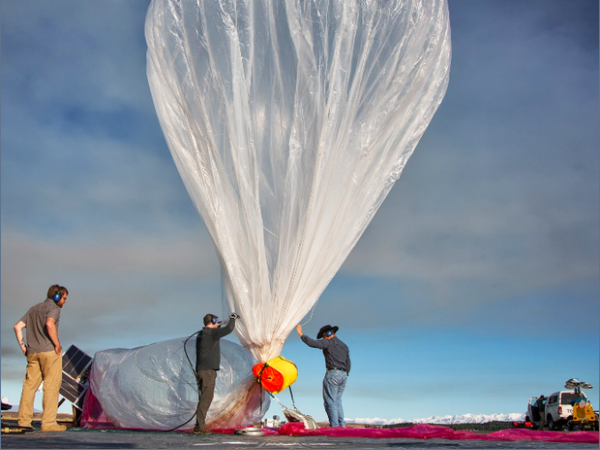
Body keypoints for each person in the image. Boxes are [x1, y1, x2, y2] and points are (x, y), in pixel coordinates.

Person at [13, 284, 69, 432]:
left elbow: (17, 327)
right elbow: (49, 324)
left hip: (32, 353)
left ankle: (24, 421)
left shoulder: (33, 309)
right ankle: (49, 423)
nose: (65, 301)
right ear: (56, 297)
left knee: (29, 386)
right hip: (49, 353)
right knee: (51, 386)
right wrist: (57, 345)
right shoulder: (54, 309)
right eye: (64, 298)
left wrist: (24, 347)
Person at [296, 323, 350, 427]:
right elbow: (348, 362)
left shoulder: (328, 343)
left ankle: (335, 427)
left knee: (330, 401)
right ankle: (341, 425)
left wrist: (301, 334)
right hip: (344, 375)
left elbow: (313, 343)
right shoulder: (344, 346)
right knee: (337, 401)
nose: (323, 339)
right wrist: (346, 373)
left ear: (328, 334)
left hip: (333, 374)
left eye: (324, 336)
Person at [194, 312, 239, 435]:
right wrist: (232, 318)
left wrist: (217, 326)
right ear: (213, 322)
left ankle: (199, 425)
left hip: (201, 370)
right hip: (208, 371)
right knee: (206, 398)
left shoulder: (202, 334)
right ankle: (200, 427)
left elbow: (215, 332)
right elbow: (229, 328)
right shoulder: (212, 334)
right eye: (215, 321)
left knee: (203, 397)